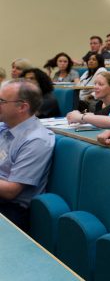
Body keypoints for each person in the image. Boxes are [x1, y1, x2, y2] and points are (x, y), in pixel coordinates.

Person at [0, 80, 55, 231]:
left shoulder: (36, 140)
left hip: (11, 210)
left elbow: (11, 191)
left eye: (1, 101)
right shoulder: (5, 126)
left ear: (22, 107)